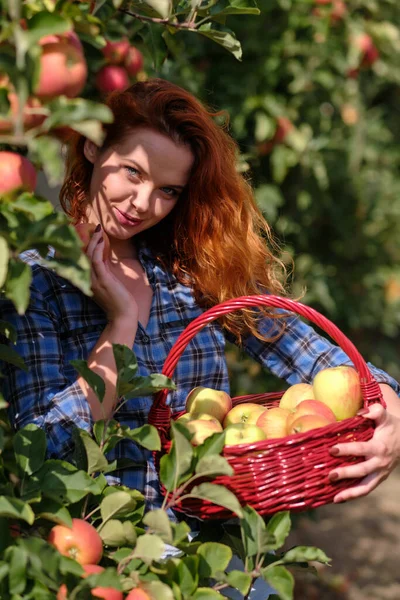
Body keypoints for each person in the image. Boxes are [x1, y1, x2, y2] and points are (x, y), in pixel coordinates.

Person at [1, 78, 400, 523]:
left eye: (168, 190)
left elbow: (308, 351)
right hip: (108, 557)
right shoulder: (35, 281)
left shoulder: (190, 268)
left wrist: (389, 409)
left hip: (213, 551)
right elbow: (46, 448)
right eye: (133, 172)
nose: (142, 203)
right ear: (93, 148)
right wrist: (122, 323)